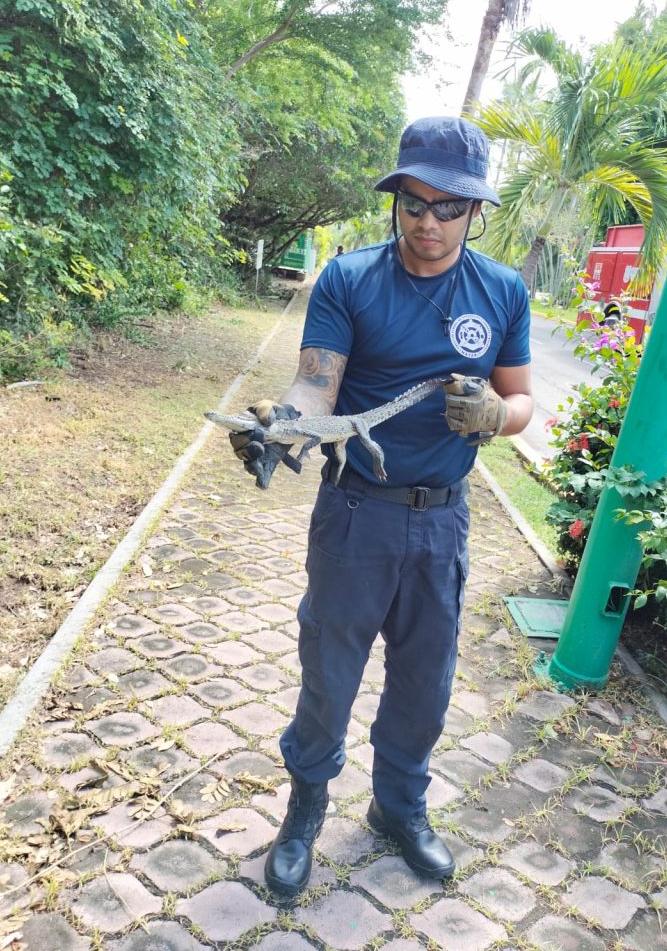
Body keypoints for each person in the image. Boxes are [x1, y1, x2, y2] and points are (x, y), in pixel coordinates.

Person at [230, 116, 533, 897]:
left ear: (476, 212)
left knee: (425, 681)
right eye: (414, 203)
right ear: (395, 199)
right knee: (328, 670)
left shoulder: (501, 290)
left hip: (443, 518)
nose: (428, 223)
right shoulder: (349, 279)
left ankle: (399, 809)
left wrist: (500, 417)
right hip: (355, 514)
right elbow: (316, 384)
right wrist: (284, 427)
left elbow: (522, 395)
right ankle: (305, 810)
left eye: (449, 208)